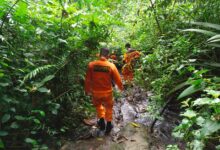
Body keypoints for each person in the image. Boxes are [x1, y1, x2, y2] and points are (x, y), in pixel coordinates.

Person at [84, 48, 123, 135]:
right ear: (108, 56)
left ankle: (102, 123)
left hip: (96, 93)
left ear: (99, 54)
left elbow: (88, 80)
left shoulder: (91, 65)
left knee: (98, 106)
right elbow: (118, 80)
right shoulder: (111, 66)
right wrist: (121, 88)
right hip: (107, 93)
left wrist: (87, 90)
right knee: (109, 108)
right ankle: (108, 125)